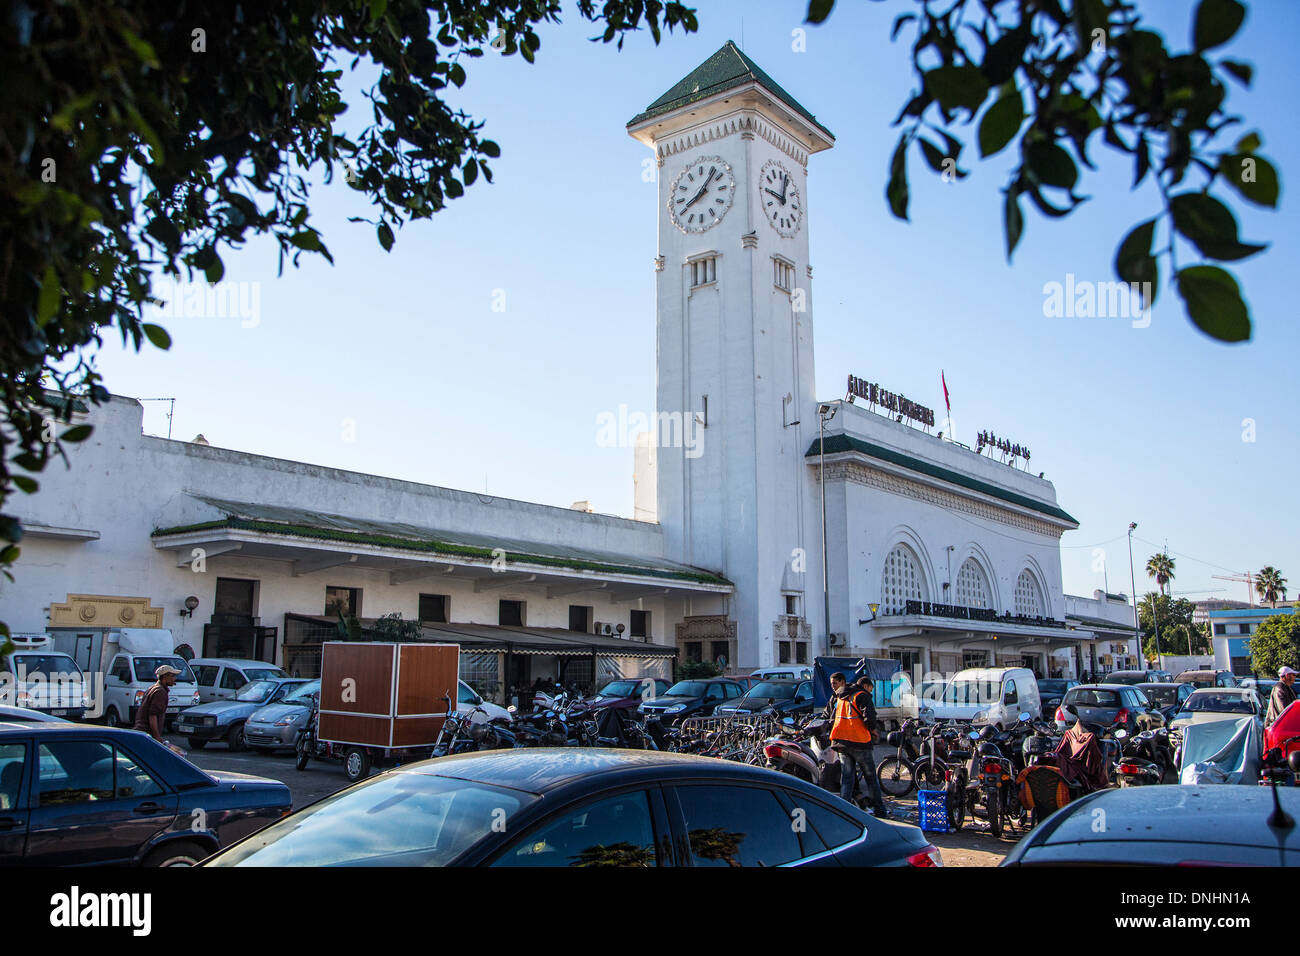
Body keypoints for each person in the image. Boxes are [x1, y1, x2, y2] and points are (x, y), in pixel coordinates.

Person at [823, 672, 888, 817]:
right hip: (859, 742)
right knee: (871, 778)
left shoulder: (841, 695)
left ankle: (844, 812)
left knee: (847, 779)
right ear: (866, 686)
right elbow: (869, 719)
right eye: (870, 688)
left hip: (841, 742)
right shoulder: (862, 696)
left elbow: (830, 716)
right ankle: (880, 811)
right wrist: (873, 731)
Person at [133, 664, 185, 754]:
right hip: (147, 734)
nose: (175, 679)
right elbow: (152, 715)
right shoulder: (160, 692)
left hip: (141, 733)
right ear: (165, 676)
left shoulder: (152, 688)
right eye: (172, 676)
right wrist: (157, 737)